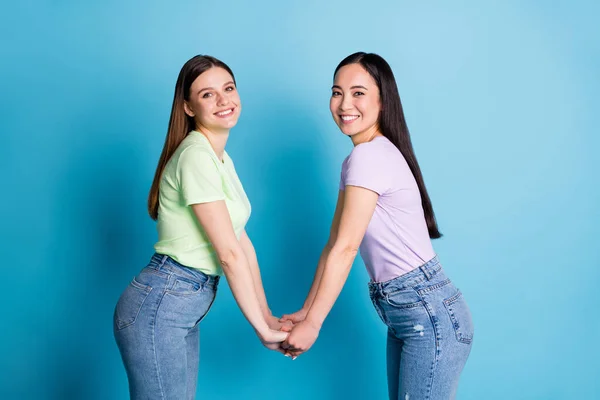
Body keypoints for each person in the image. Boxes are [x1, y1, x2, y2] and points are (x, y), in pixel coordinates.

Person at [280, 52, 473, 400]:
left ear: (383, 101)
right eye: (336, 92)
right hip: (413, 310)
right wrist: (307, 311)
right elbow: (334, 243)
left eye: (358, 93)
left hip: (425, 312)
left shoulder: (369, 156)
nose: (343, 103)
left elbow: (346, 248)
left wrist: (314, 324)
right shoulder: (359, 158)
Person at [113, 55, 289, 400]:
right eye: (208, 94)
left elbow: (242, 243)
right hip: (162, 303)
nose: (224, 100)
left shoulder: (218, 157)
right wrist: (260, 328)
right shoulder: (195, 156)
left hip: (179, 304)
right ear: (188, 107)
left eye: (229, 88)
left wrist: (266, 315)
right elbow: (228, 255)